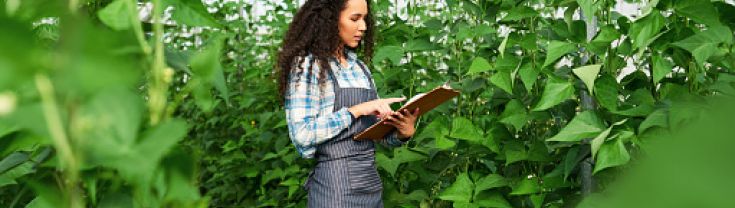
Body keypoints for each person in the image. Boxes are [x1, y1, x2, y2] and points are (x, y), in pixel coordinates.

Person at [276, 0, 420, 207]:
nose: (363, 26)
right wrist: (356, 110)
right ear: (330, 19)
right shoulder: (309, 66)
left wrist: (401, 132)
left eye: (365, 18)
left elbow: (372, 134)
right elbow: (303, 134)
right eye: (355, 18)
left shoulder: (359, 68)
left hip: (370, 185)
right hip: (334, 190)